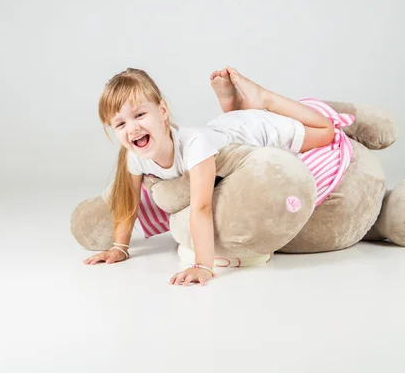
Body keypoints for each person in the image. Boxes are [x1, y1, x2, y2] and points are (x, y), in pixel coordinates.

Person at [83, 66, 353, 286]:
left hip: (254, 130)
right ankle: (235, 106)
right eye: (120, 123)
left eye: (140, 115)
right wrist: (120, 247)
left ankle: (263, 99)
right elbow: (128, 203)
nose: (132, 128)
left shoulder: (193, 146)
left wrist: (203, 265)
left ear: (162, 111)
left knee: (326, 131)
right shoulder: (135, 157)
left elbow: (201, 207)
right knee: (227, 131)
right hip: (221, 132)